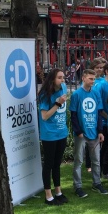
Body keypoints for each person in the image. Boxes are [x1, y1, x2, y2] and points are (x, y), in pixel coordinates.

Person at [70, 69, 108, 198]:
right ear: (83, 78)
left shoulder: (96, 93)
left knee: (96, 160)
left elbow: (98, 113)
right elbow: (73, 115)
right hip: (81, 134)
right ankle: (78, 186)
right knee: (78, 161)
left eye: (94, 79)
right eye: (90, 79)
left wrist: (100, 131)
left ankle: (97, 183)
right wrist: (78, 131)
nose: (93, 81)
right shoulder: (76, 94)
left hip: (94, 133)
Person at [38, 69, 68, 205]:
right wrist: (57, 104)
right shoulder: (45, 94)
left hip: (62, 132)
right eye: (59, 77)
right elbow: (44, 116)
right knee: (49, 164)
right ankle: (48, 195)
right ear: (52, 79)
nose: (62, 80)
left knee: (57, 164)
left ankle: (58, 191)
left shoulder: (64, 87)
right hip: (49, 134)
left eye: (63, 77)